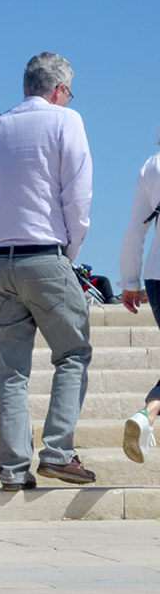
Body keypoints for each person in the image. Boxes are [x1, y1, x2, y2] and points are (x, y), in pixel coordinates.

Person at [0, 52, 96, 491]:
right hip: (45, 253)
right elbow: (77, 196)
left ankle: (12, 468)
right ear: (59, 90)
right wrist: (68, 251)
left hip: (0, 260)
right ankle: (58, 452)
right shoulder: (66, 121)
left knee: (12, 371)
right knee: (73, 353)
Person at [118, 146, 160, 464]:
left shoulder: (152, 165)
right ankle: (149, 414)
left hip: (156, 276)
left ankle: (148, 416)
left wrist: (130, 282)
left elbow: (135, 228)